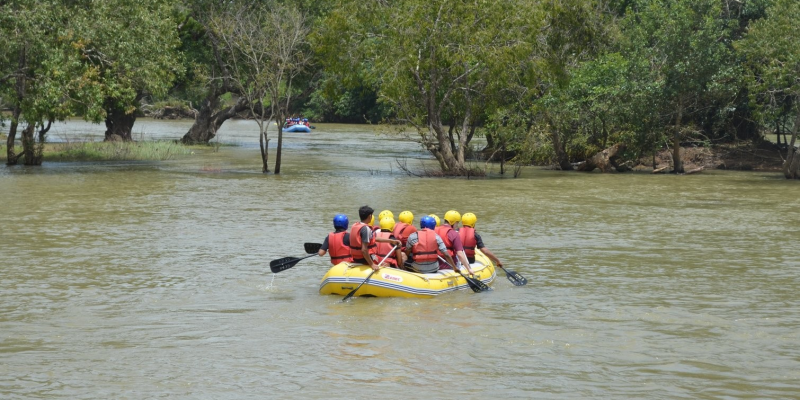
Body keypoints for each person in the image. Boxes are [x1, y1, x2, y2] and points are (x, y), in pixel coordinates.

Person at [349, 205, 400, 271]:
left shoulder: (355, 226)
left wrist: (390, 241)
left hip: (356, 257)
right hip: (364, 258)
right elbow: (364, 250)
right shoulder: (366, 229)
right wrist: (372, 264)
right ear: (370, 216)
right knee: (386, 263)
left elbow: (373, 238)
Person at [434, 210, 475, 275]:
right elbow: (460, 254)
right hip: (448, 265)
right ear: (453, 222)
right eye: (457, 222)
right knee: (459, 255)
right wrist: (469, 269)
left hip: (434, 264)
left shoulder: (434, 230)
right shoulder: (453, 233)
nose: (457, 225)